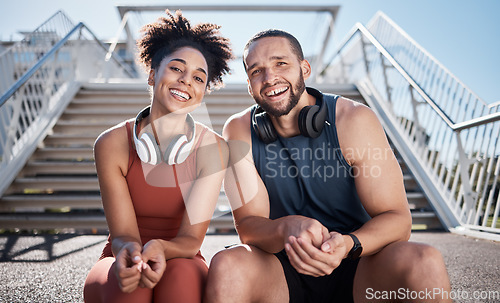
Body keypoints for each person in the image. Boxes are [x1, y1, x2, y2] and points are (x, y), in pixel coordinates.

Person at [205, 29, 452, 302]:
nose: (269, 77)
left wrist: (346, 244)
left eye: (281, 63)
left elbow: (398, 220)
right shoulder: (238, 130)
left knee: (425, 260)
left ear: (305, 68)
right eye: (256, 71)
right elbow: (249, 226)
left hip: (358, 263)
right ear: (250, 85)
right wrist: (287, 228)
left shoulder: (353, 119)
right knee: (227, 265)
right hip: (280, 271)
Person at [83, 10, 232, 303]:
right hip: (121, 254)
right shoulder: (111, 144)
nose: (186, 81)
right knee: (131, 287)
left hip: (183, 256)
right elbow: (123, 234)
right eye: (176, 68)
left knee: (181, 282)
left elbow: (191, 240)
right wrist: (130, 255)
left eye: (199, 78)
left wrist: (162, 249)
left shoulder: (214, 148)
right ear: (152, 74)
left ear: (203, 92)